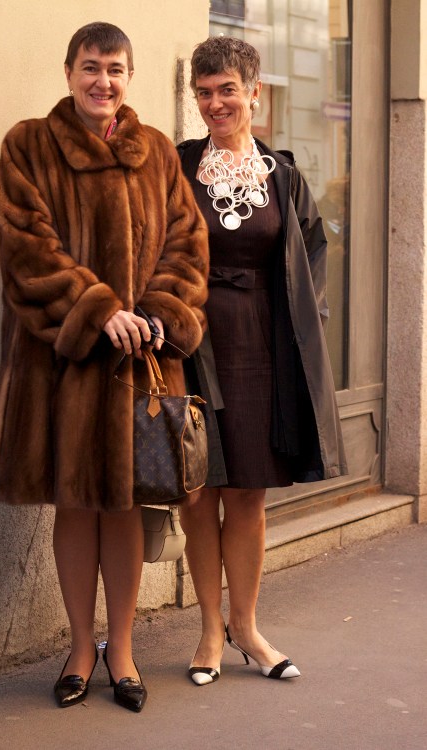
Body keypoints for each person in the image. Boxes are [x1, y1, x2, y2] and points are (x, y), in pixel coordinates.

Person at [0, 22, 208, 712]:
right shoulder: (28, 146)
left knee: (125, 506)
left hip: (139, 367)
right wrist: (96, 308)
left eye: (114, 70)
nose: (102, 82)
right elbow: (27, 249)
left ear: (129, 78)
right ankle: (81, 648)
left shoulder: (158, 153)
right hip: (63, 366)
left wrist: (160, 313)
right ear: (68, 72)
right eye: (90, 67)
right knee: (77, 504)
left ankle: (124, 650)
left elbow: (187, 242)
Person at [178, 36, 347, 685]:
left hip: (261, 348)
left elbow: (312, 258)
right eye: (204, 92)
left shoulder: (284, 176)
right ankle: (208, 632)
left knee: (248, 491)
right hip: (192, 345)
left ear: (254, 93)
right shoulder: (176, 167)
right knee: (198, 491)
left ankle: (246, 628)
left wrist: (306, 326)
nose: (215, 102)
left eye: (227, 89)